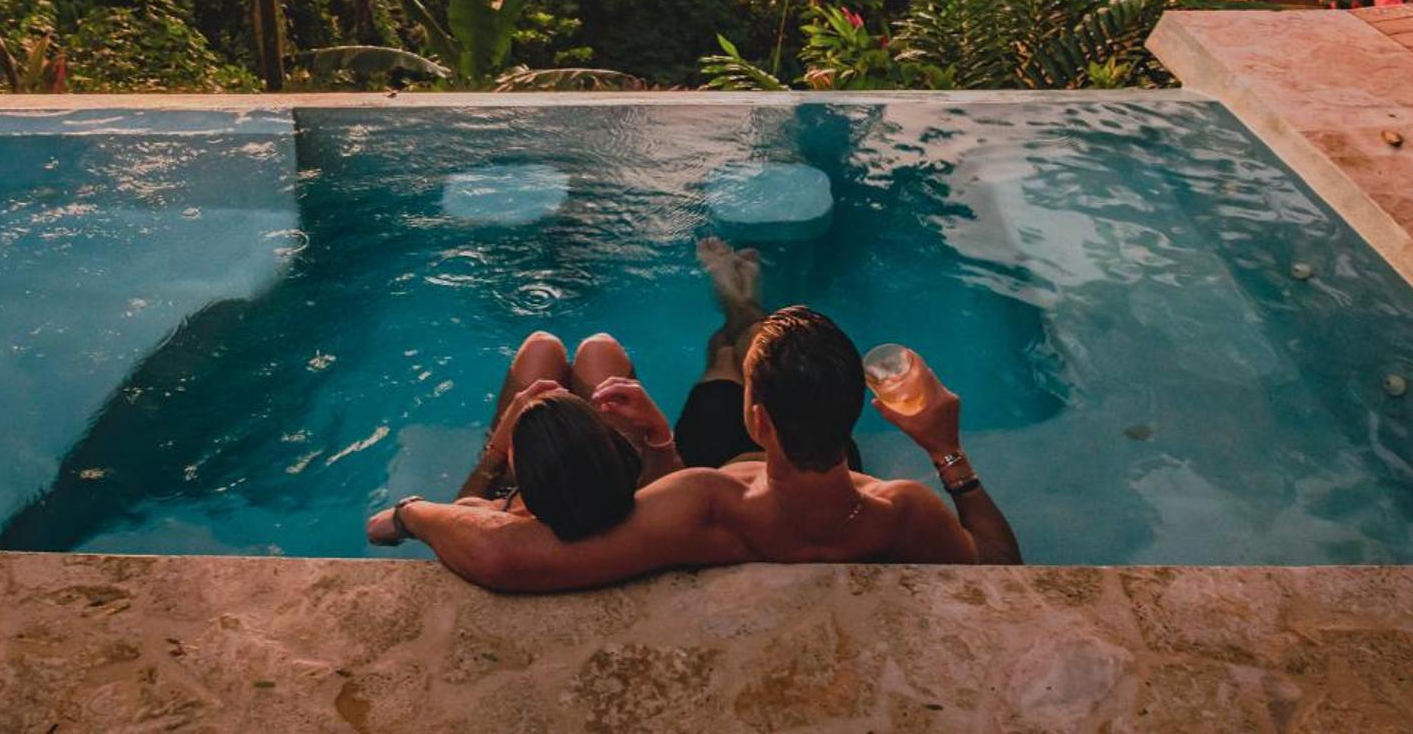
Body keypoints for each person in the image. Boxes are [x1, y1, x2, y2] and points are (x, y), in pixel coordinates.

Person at [367, 246, 1022, 590]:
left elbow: (501, 553)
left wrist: (412, 512)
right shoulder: (901, 511)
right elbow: (998, 568)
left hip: (715, 461)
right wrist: (947, 450)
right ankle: (745, 310)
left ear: (757, 420)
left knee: (721, 356)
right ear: (855, 413)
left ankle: (739, 312)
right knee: (752, 341)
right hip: (828, 462)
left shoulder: (703, 504)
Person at [381, 329, 681, 545]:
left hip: (517, 485)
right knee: (600, 348)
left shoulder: (498, 516)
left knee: (541, 346)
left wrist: (496, 450)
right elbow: (674, 492)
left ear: (515, 458)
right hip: (613, 476)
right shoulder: (643, 511)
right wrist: (658, 430)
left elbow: (381, 528)